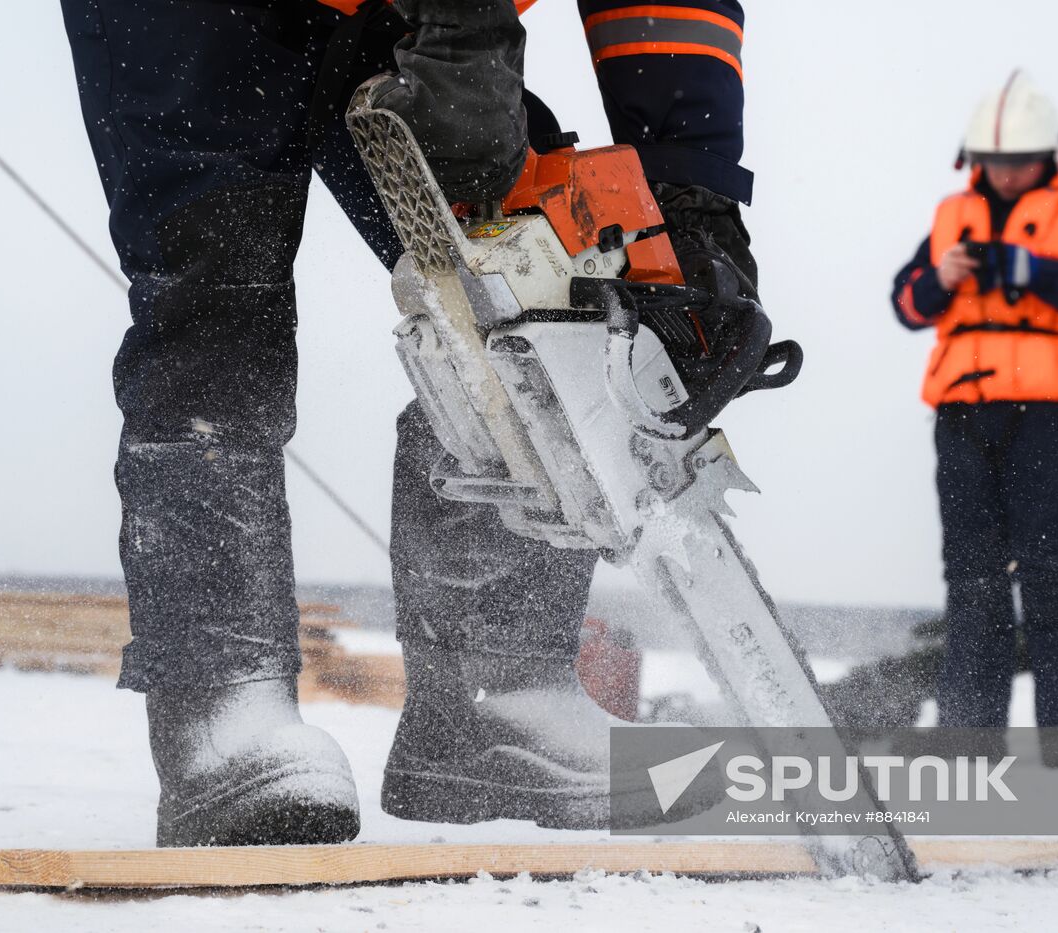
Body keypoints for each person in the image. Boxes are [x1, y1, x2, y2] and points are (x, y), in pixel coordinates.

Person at [58, 0, 756, 845]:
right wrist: (465, 23)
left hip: (401, 15)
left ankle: (493, 704)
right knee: (216, 293)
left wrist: (692, 189)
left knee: (533, 271)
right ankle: (223, 698)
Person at [890, 71, 1058, 765]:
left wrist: (1034, 270)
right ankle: (968, 746)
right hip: (964, 416)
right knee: (971, 577)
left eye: (1017, 161)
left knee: (1051, 570)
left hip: (1049, 418)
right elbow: (906, 303)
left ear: (1050, 155)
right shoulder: (952, 217)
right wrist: (936, 280)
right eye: (991, 162)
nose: (1003, 175)